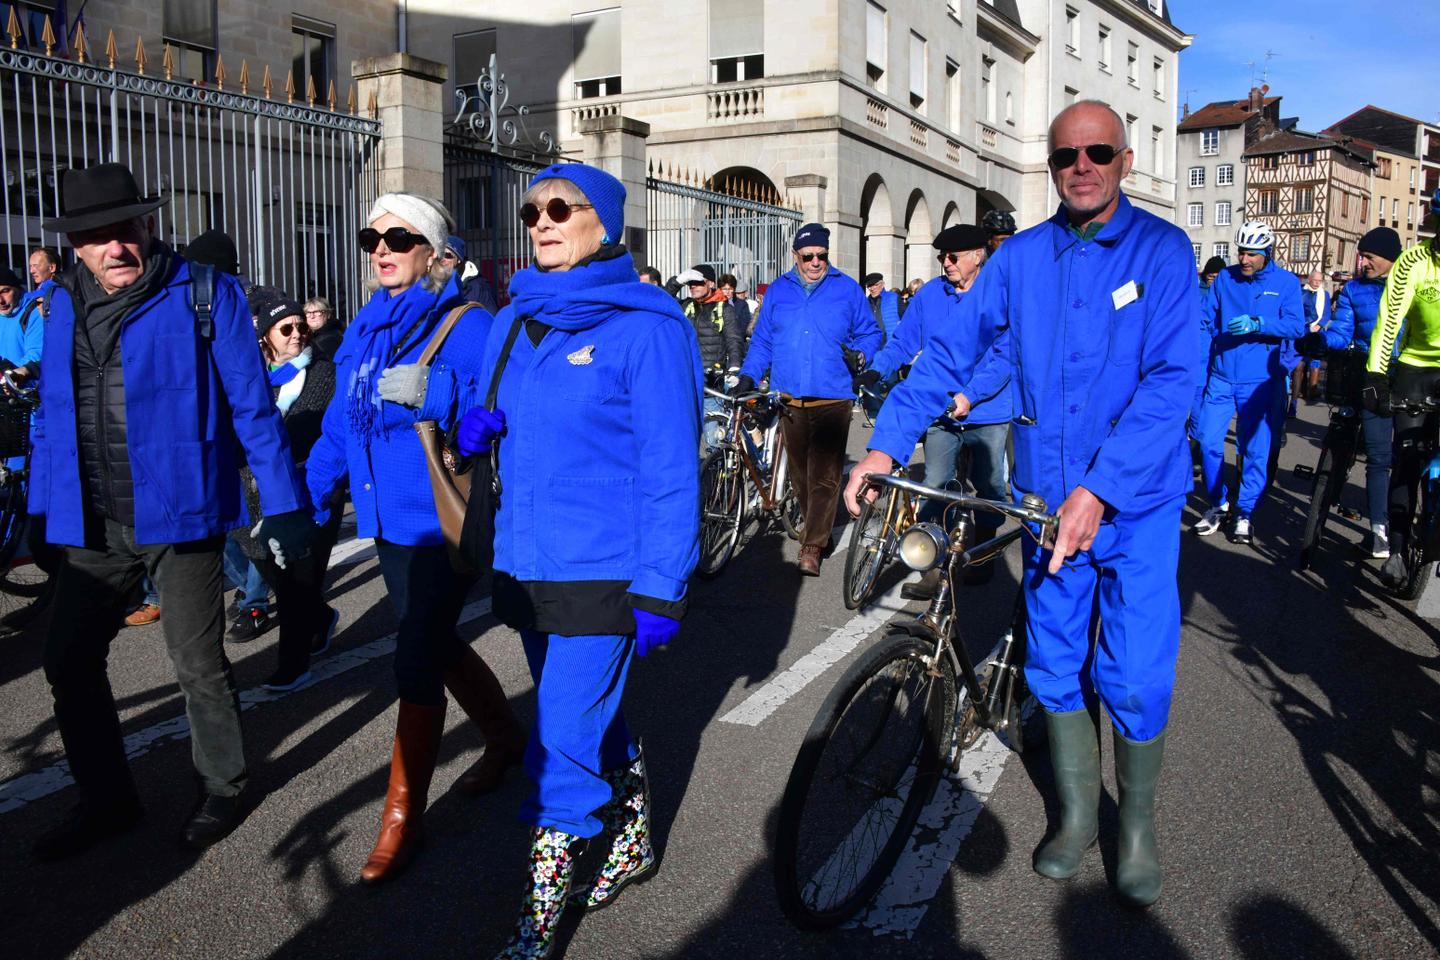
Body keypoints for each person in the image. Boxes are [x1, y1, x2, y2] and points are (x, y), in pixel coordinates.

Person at [845, 100, 1200, 908]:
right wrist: (885, 443)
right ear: (1050, 166)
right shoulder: (1020, 259)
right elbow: (950, 353)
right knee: (1052, 658)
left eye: (1098, 152)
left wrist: (1102, 488)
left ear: (1125, 160)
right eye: (1066, 156)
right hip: (1047, 504)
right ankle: (1077, 816)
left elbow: (1173, 381)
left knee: (1137, 673)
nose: (1082, 166)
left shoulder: (1162, 251)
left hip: (1135, 504)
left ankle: (1134, 826)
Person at [28, 162, 313, 859]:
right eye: (96, 236)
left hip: (182, 515)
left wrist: (283, 506)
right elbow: (52, 411)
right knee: (67, 658)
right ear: (76, 245)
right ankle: (108, 798)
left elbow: (253, 411)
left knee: (196, 664)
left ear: (148, 226)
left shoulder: (205, 295)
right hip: (94, 523)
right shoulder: (61, 299)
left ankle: (223, 785)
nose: (114, 247)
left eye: (125, 230)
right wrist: (43, 508)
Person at [453, 162, 701, 959]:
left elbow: (671, 468)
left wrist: (663, 588)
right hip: (525, 562)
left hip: (606, 571)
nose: (543, 222)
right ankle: (631, 842)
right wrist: (470, 423)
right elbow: (483, 407)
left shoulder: (649, 326)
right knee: (592, 717)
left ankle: (534, 930)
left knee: (558, 738)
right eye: (532, 211)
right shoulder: (514, 316)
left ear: (607, 223)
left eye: (563, 208)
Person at [304, 192, 526, 883]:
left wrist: (438, 392)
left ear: (434, 255)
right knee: (431, 639)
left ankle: (403, 819)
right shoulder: (364, 327)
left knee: (415, 657)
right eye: (374, 237)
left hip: (441, 518)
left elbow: (505, 399)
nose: (383, 249)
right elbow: (342, 422)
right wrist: (306, 498)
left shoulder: (468, 320)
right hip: (384, 521)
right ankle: (504, 737)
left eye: (399, 239)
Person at [856, 224, 1008, 596]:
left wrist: (971, 395)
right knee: (935, 484)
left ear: (978, 256)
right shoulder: (930, 296)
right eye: (942, 256)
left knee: (988, 487)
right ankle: (932, 564)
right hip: (940, 406)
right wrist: (878, 367)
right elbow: (904, 341)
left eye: (954, 256)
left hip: (987, 408)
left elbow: (1005, 358)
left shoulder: (998, 294)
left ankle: (984, 551)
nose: (946, 262)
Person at [736, 223, 881, 575]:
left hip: (833, 397)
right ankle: (819, 528)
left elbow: (871, 333)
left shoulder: (846, 289)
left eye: (822, 255)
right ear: (795, 256)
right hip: (790, 398)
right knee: (800, 476)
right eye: (809, 256)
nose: (816, 262)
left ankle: (812, 545)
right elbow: (764, 341)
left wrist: (861, 355)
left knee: (825, 476)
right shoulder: (779, 291)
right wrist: (748, 375)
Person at [232, 287, 342, 691]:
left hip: (312, 490)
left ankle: (292, 665)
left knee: (297, 579)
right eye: (286, 328)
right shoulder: (251, 378)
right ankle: (320, 617)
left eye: (301, 326)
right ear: (265, 336)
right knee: (264, 564)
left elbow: (317, 430)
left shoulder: (323, 373)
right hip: (254, 492)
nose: (297, 334)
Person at [1192, 221, 1306, 545]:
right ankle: (1218, 503)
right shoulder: (1224, 279)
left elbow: (1296, 327)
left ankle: (1244, 513)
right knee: (1209, 442)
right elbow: (1204, 321)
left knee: (1253, 450)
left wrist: (1260, 323)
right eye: (1241, 251)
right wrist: (1201, 367)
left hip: (1260, 381)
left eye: (1252, 254)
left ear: (1266, 253)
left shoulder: (1285, 283)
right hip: (1221, 377)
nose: (1244, 259)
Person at [1305, 227, 1401, 558]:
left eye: (1369, 256)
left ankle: (1387, 527)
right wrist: (1320, 341)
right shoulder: (1353, 289)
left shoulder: (1406, 285)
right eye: (1362, 255)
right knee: (1367, 448)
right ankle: (1371, 525)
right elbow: (1342, 330)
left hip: (1401, 374)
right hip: (1364, 372)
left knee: (1391, 455)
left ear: (1389, 258)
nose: (1363, 261)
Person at [1364, 195, 1440, 588]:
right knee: (1407, 460)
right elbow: (1389, 321)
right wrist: (1377, 376)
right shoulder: (1413, 262)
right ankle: (1395, 549)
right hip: (1416, 366)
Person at [682, 264, 743, 451]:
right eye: (690, 283)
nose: (693, 286)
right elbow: (662, 301)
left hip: (711, 383)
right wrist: (677, 282)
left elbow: (734, 340)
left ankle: (717, 477)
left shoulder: (724, 308)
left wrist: (734, 367)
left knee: (712, 439)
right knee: (685, 439)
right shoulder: (687, 306)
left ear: (710, 283)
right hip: (687, 381)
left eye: (698, 282)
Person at [1290, 269, 1330, 413]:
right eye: (1315, 281)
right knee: (1299, 366)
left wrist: (1319, 325)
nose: (1317, 283)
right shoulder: (1301, 292)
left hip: (1317, 332)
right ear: (1309, 279)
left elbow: (1326, 313)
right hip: (1302, 331)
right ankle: (1294, 401)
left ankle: (1311, 390)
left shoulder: (1325, 294)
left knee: (1314, 363)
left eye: (1319, 281)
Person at [441, 233, 500, 315]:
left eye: (447, 255)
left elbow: (492, 319)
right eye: (440, 255)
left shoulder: (479, 287)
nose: (442, 259)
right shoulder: (437, 284)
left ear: (459, 259)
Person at [863, 272, 905, 345]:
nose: (872, 288)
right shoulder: (866, 303)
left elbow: (906, 319)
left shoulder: (893, 298)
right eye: (869, 286)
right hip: (873, 345)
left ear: (882, 285)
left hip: (891, 344)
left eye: (875, 285)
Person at [302, 295, 344, 360]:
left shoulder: (330, 338)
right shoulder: (308, 336)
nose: (312, 316)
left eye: (317, 312)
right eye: (308, 313)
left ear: (328, 315)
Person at [718, 272, 752, 344]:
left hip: (737, 343)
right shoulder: (715, 304)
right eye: (724, 289)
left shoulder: (742, 304)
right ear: (720, 289)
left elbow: (745, 325)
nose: (727, 292)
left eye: (730, 289)